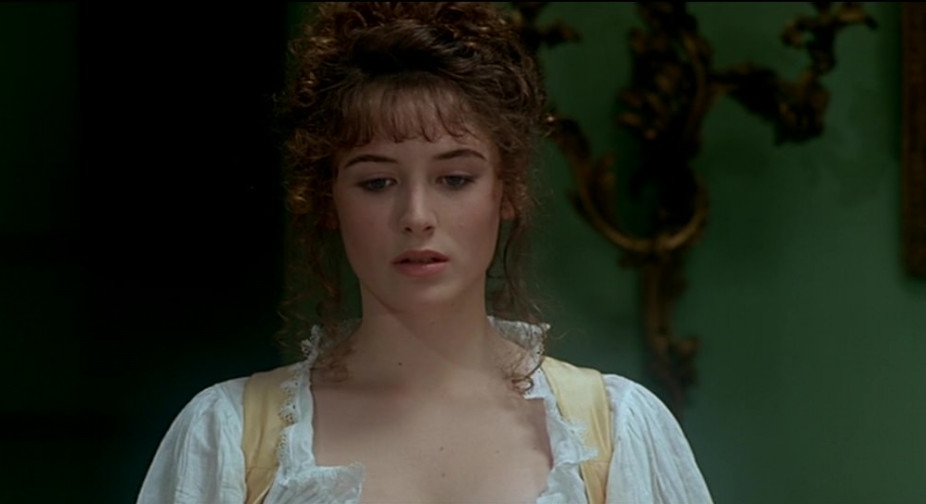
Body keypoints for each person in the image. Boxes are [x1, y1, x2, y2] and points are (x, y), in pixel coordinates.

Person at [137, 2, 713, 503]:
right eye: (377, 182)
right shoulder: (230, 435)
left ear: (507, 191)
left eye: (454, 179)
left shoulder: (614, 429)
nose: (416, 216)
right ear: (327, 199)